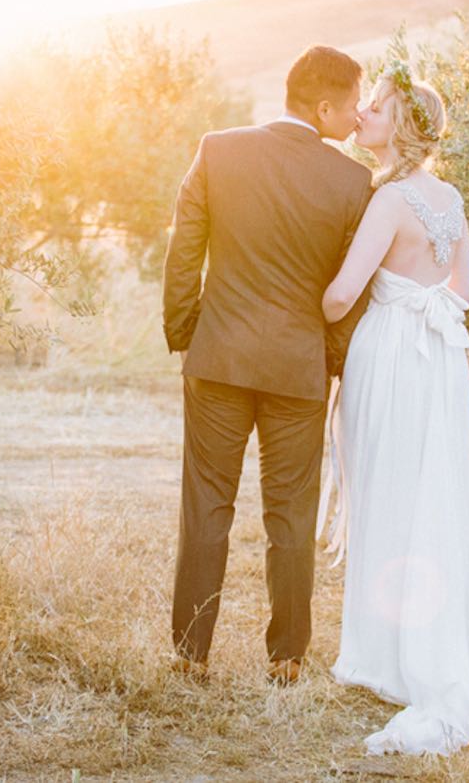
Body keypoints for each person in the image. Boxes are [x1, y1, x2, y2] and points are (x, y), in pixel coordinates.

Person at [319, 59, 469, 755]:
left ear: (400, 124)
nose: (364, 114)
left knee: (384, 488)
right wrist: (419, 298)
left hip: (390, 358)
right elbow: (460, 291)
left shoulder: (389, 201)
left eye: (374, 106)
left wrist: (305, 310)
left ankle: (383, 656)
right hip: (436, 362)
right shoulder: (451, 200)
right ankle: (421, 646)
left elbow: (343, 293)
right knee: (431, 490)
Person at [162, 45, 374, 685]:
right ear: (324, 105)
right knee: (291, 514)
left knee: (206, 505)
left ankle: (190, 655)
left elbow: (183, 251)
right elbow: (351, 293)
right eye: (355, 102)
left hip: (218, 359)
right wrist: (330, 364)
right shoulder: (352, 183)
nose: (360, 116)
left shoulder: (218, 149)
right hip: (298, 371)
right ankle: (287, 656)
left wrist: (187, 334)